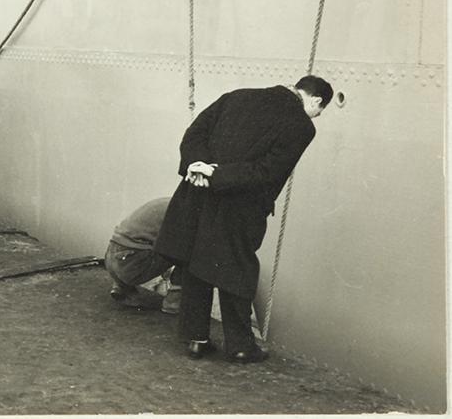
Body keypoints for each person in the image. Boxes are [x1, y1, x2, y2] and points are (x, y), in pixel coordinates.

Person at [153, 75, 333, 363]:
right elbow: (267, 171)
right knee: (237, 269)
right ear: (315, 100)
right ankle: (240, 346)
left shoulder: (237, 96)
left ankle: (196, 340)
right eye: (320, 110)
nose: (317, 115)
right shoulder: (302, 126)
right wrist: (218, 175)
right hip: (240, 204)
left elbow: (195, 133)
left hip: (196, 193)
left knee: (196, 261)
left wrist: (198, 166)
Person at [104, 197, 182, 314]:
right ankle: (173, 303)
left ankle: (122, 287)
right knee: (193, 253)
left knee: (145, 242)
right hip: (130, 263)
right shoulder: (187, 211)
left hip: (111, 257)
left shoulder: (170, 201)